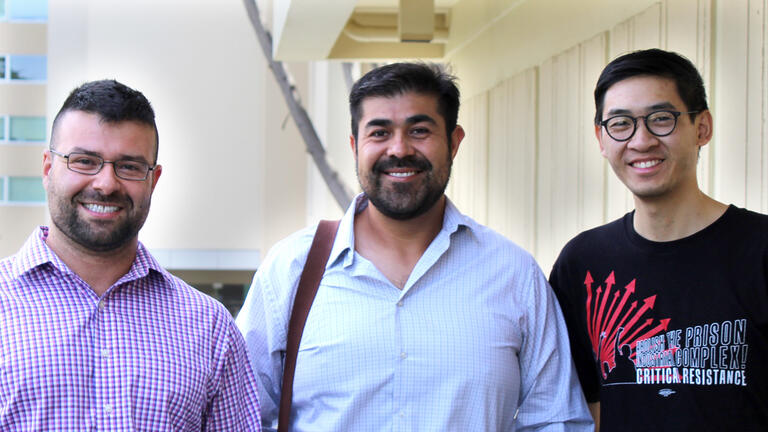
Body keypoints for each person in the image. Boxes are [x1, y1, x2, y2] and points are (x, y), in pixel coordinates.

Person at [237, 62, 592, 431]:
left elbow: (556, 421)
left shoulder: (514, 274)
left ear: (454, 142)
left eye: (419, 130)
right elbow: (240, 417)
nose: (399, 149)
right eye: (379, 133)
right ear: (355, 146)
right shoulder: (290, 270)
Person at [0, 80, 262, 431]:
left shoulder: (210, 328)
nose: (106, 183)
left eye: (129, 167)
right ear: (48, 168)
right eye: (84, 161)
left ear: (153, 180)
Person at [549, 48, 768, 431]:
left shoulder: (760, 249)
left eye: (661, 119)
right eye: (620, 124)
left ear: (702, 127)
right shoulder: (583, 263)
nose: (642, 140)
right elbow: (583, 406)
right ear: (602, 138)